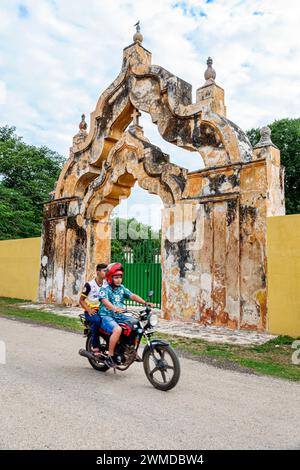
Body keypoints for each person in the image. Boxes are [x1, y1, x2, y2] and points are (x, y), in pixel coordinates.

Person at [98, 262, 154, 368]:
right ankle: (110, 355)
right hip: (107, 316)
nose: (119, 279)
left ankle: (130, 349)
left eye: (120, 277)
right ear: (110, 278)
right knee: (117, 330)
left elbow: (132, 295)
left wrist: (145, 303)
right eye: (116, 277)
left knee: (136, 324)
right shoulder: (105, 289)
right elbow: (104, 301)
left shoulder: (121, 288)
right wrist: (114, 308)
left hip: (120, 315)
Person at [79, 263, 108, 355]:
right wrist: (89, 310)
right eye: (104, 271)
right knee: (97, 321)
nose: (106, 273)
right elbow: (81, 300)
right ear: (98, 272)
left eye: (107, 271)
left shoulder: (107, 284)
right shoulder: (89, 285)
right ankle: (95, 346)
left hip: (103, 310)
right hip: (92, 311)